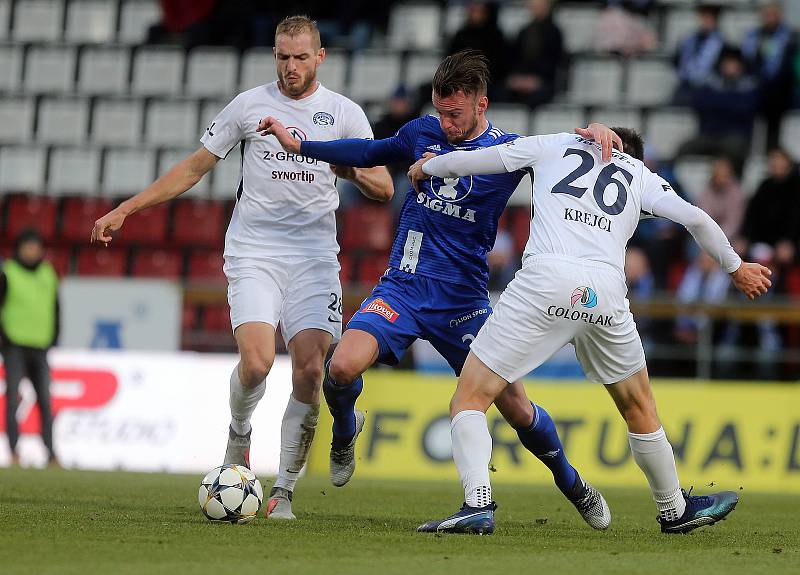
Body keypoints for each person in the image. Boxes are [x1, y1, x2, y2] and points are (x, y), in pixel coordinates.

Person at [259, 50, 623, 531]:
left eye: (455, 113)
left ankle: (572, 482)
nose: (445, 123)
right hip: (404, 288)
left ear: (481, 105)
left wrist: (595, 130)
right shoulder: (421, 133)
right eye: (440, 111)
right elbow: (368, 155)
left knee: (514, 405)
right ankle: (346, 430)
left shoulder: (509, 151)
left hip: (463, 302)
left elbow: (566, 156)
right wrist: (300, 146)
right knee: (341, 367)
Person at [91, 15, 393, 520]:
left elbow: (383, 187)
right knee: (255, 364)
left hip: (315, 257)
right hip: (254, 251)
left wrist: (340, 164)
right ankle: (239, 436)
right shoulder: (250, 105)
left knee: (311, 370)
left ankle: (286, 491)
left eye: (299, 57)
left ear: (320, 58)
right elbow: (194, 167)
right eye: (281, 56)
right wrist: (126, 208)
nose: (289, 67)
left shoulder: (343, 114)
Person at [407, 127, 772, 534]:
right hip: (605, 291)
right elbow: (696, 217)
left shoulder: (554, 143)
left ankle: (477, 504)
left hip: (546, 279)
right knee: (639, 406)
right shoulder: (639, 174)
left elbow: (476, 160)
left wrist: (429, 166)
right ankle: (673, 508)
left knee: (470, 399)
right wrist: (736, 268)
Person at [0, 229, 60, 467]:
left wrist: (54, 336)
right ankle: (14, 452)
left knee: (45, 401)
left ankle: (52, 454)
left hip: (40, 346)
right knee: (13, 400)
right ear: (19, 248)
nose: (31, 251)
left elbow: (56, 308)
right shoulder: (8, 273)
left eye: (35, 247)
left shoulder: (48, 273)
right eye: (28, 247)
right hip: (14, 345)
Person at [741, 1, 796, 151]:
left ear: (780, 16)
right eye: (767, 15)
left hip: (779, 92)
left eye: (773, 14)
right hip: (756, 89)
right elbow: (746, 61)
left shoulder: (790, 37)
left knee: (774, 127)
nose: (770, 18)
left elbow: (787, 67)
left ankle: (771, 152)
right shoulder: (753, 36)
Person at [504, 0, 564, 109]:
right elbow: (515, 59)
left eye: (540, 6)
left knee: (536, 98)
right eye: (534, 6)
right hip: (523, 79)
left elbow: (554, 62)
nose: (536, 9)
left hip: (544, 81)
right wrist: (519, 78)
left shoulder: (555, 32)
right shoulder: (523, 32)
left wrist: (536, 80)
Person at [673, 3, 724, 99]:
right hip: (685, 83)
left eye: (709, 18)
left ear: (715, 19)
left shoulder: (721, 43)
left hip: (708, 87)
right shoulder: (689, 39)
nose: (705, 21)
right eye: (703, 17)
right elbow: (678, 60)